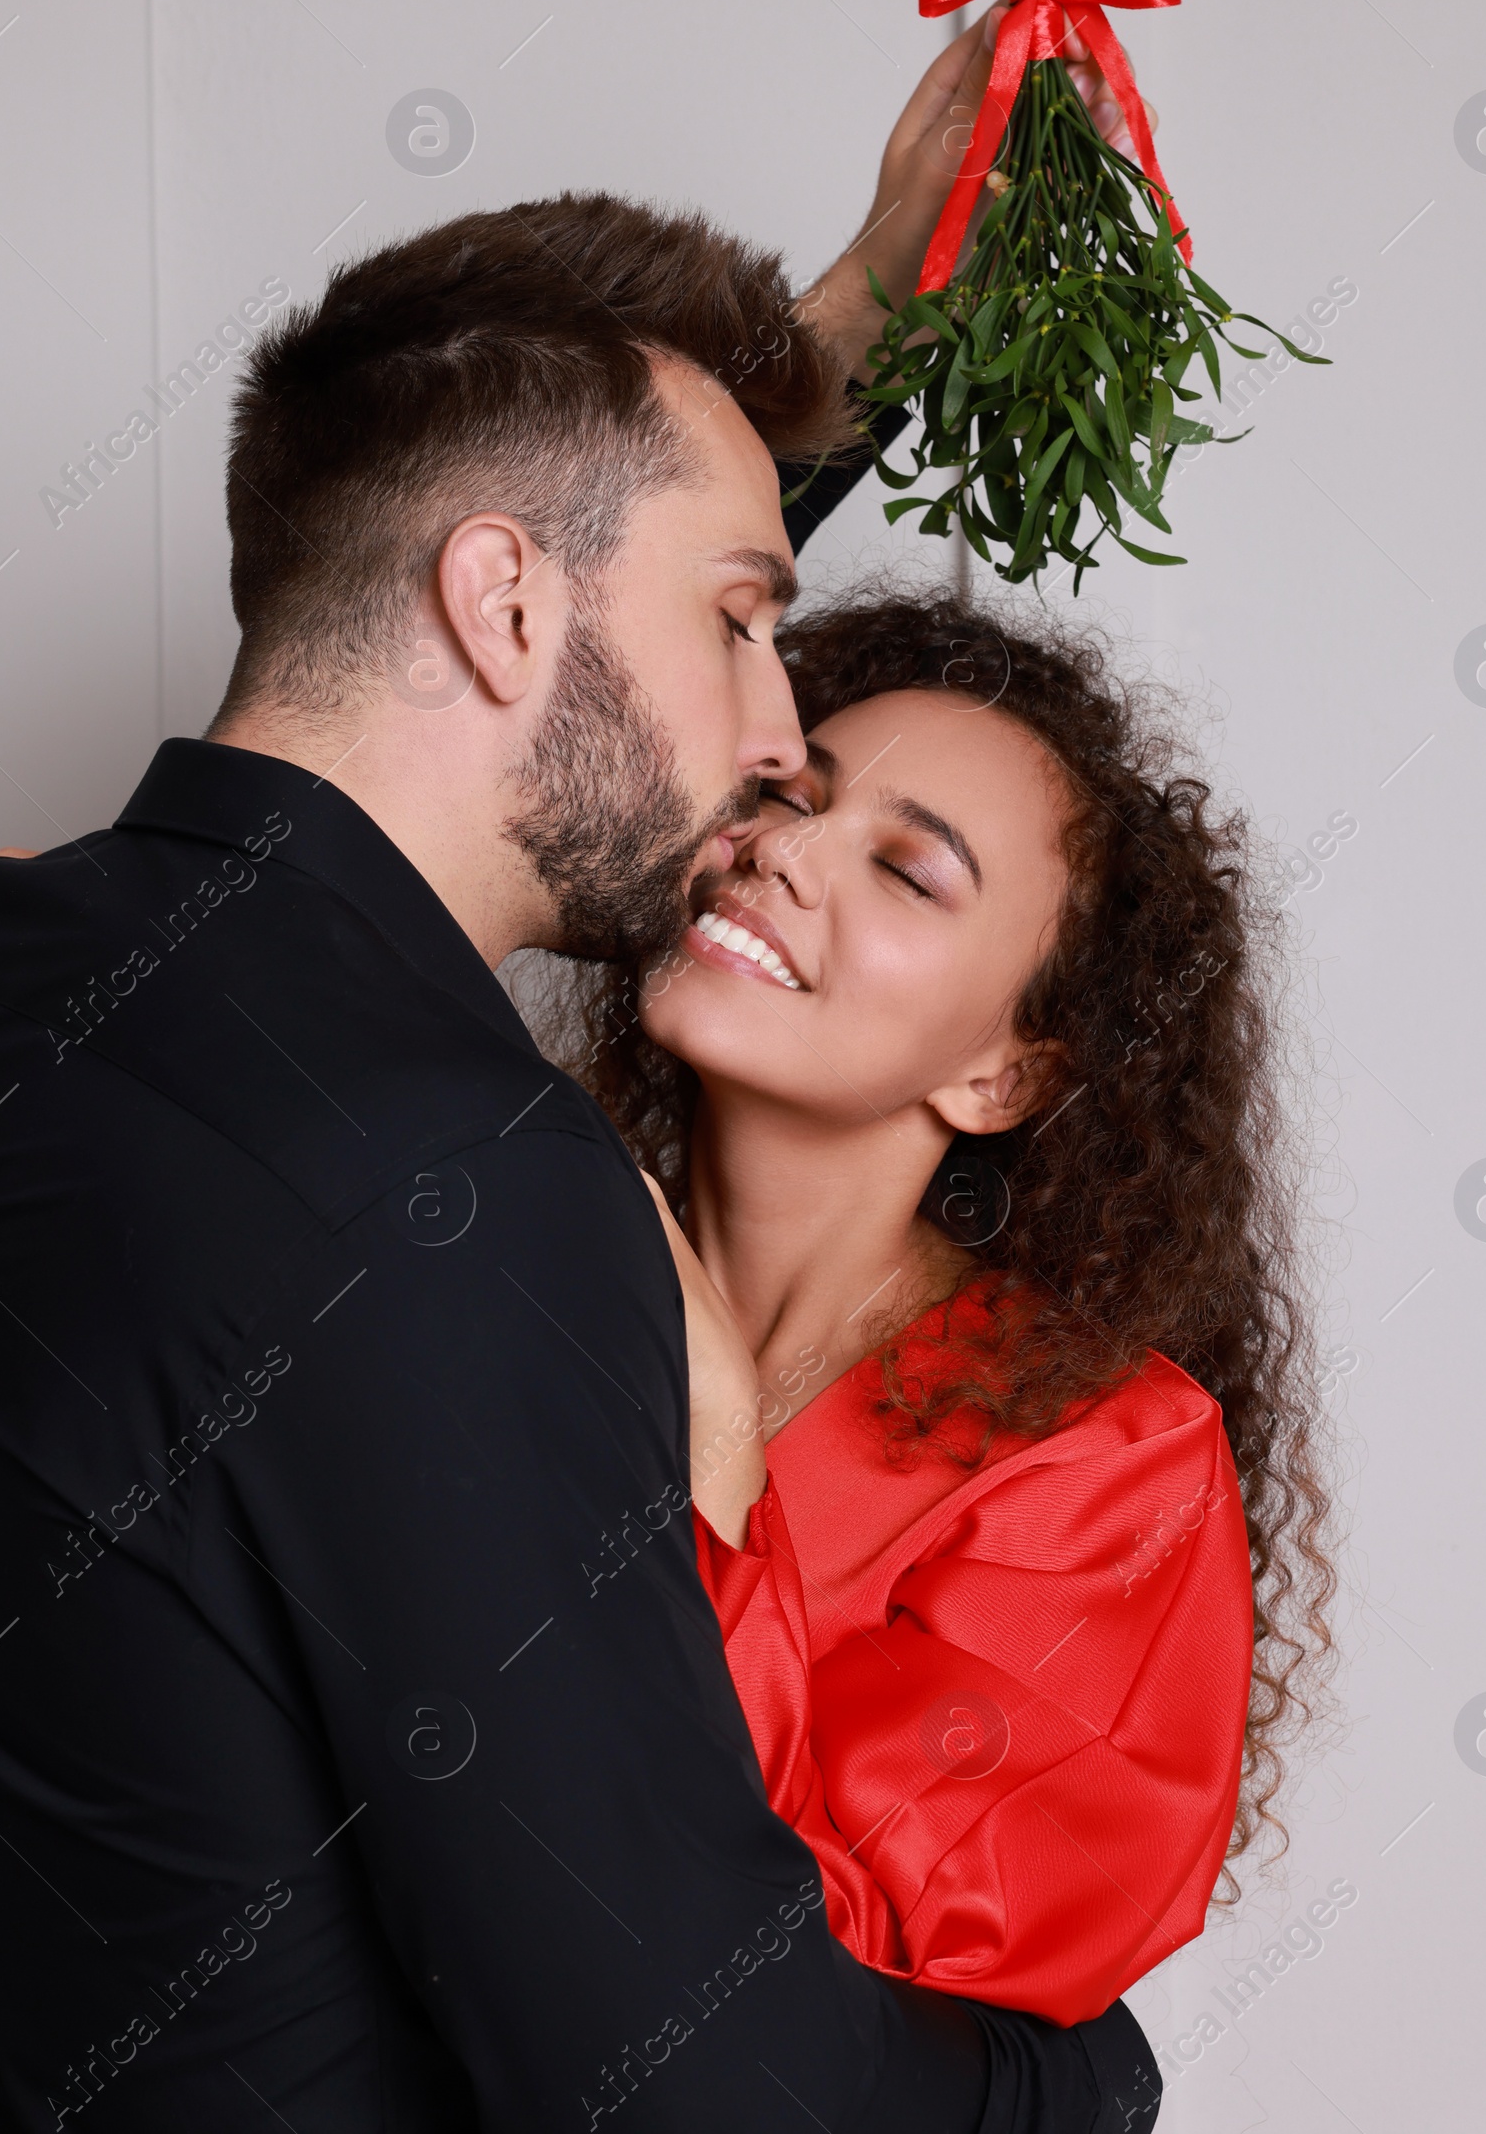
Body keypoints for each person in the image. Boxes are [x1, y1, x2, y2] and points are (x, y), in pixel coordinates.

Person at [0, 10, 1166, 2129]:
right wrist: (1074, 2088)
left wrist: (849, 317)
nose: (774, 738)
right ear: (496, 603)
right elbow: (693, 2090)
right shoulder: (461, 1178)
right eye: (749, 617)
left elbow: (576, 535)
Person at [560, 592, 1334, 2032]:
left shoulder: (1107, 1467)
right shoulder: (499, 1266)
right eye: (783, 795)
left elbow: (810, 1986)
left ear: (1006, 1076)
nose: (779, 853)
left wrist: (723, 1452)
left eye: (907, 873)